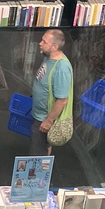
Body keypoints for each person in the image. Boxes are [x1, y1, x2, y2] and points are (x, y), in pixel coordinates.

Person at [30, 28, 73, 156]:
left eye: (44, 42)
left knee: (37, 153)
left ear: (54, 46)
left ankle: (37, 175)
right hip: (39, 115)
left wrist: (48, 121)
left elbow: (62, 100)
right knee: (41, 148)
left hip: (43, 119)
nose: (40, 43)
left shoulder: (61, 68)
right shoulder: (48, 58)